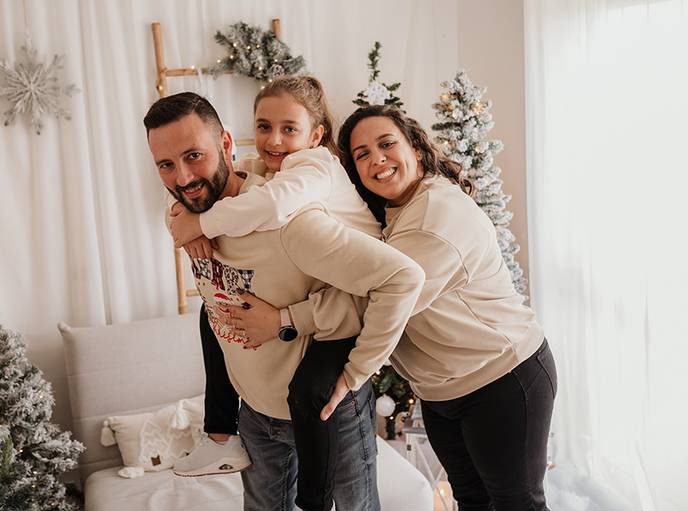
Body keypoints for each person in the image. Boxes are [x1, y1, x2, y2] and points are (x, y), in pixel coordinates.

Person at [226, 105, 558, 511]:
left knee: (518, 504)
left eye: (386, 144)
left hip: (501, 378)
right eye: (362, 154)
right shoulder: (390, 211)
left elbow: (376, 300)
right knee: (472, 501)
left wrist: (283, 320)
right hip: (440, 390)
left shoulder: (437, 216)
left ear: (416, 148)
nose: (377, 159)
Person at [144, 92, 424, 511]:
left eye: (194, 156)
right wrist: (187, 221)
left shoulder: (292, 225)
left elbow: (396, 281)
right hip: (255, 415)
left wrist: (299, 330)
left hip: (329, 411)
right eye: (166, 165)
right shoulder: (187, 214)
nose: (182, 178)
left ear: (225, 143)